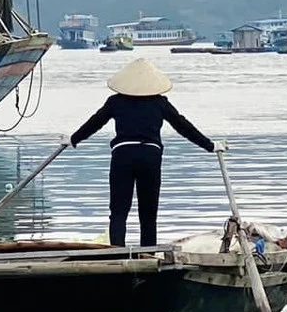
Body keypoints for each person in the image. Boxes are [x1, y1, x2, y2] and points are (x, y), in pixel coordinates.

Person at [68, 58, 215, 247]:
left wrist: (74, 139)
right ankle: (148, 253)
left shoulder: (115, 102)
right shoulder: (160, 103)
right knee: (148, 214)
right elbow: (183, 126)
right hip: (150, 157)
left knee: (118, 211)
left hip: (123, 155)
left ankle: (117, 253)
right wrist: (210, 146)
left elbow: (95, 122)